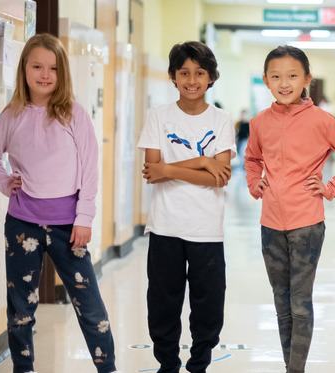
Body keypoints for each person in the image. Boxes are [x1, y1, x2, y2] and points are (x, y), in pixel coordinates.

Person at [0, 34, 117, 373]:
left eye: (53, 68)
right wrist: (5, 182)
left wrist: (85, 216)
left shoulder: (73, 113)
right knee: (21, 309)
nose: (45, 74)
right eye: (37, 67)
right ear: (24, 69)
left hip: (69, 227)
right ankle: (23, 368)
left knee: (89, 306)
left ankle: (107, 368)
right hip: (22, 225)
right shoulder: (12, 114)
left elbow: (89, 169)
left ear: (62, 73)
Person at [244, 45, 335, 373]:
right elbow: (252, 158)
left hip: (307, 225)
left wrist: (332, 188)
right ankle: (290, 366)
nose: (284, 83)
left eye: (292, 76)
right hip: (270, 224)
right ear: (266, 81)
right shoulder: (259, 123)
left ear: (306, 80)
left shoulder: (321, 121)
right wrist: (253, 182)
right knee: (281, 304)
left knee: (299, 304)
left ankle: (295, 370)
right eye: (276, 76)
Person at [138, 41, 236, 373]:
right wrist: (203, 161)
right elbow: (152, 171)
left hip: (207, 228)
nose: (191, 80)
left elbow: (220, 178)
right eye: (184, 73)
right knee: (162, 303)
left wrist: (171, 169)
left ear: (211, 77)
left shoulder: (222, 120)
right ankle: (167, 365)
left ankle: (198, 366)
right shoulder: (159, 116)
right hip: (165, 226)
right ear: (173, 76)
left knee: (208, 305)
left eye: (199, 73)